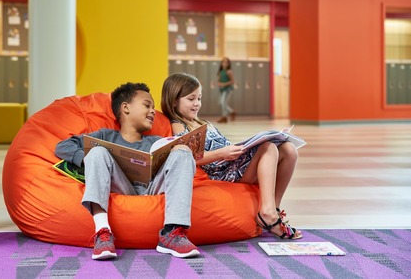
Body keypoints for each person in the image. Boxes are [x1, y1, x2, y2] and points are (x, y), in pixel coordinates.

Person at [55, 82, 200, 260]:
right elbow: (63, 146)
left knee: (183, 152)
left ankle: (172, 233)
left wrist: (179, 150)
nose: (153, 111)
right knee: (97, 151)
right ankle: (102, 231)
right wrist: (85, 158)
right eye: (147, 105)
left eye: (154, 107)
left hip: (151, 187)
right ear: (125, 108)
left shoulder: (155, 140)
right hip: (120, 186)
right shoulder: (105, 135)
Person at [161, 73, 302, 240]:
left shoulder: (202, 122)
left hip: (233, 162)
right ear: (174, 101)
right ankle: (267, 213)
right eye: (191, 99)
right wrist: (221, 153)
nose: (197, 104)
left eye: (199, 98)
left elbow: (225, 144)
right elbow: (190, 156)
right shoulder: (178, 125)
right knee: (268, 148)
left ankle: (274, 209)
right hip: (223, 172)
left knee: (289, 149)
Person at [216, 57, 236, 123]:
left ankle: (224, 117)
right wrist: (219, 83)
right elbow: (219, 80)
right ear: (221, 63)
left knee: (223, 103)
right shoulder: (220, 72)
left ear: (228, 64)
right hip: (222, 90)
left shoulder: (229, 72)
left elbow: (232, 81)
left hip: (227, 89)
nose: (225, 64)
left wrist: (224, 84)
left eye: (226, 62)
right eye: (223, 62)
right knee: (221, 103)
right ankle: (231, 112)